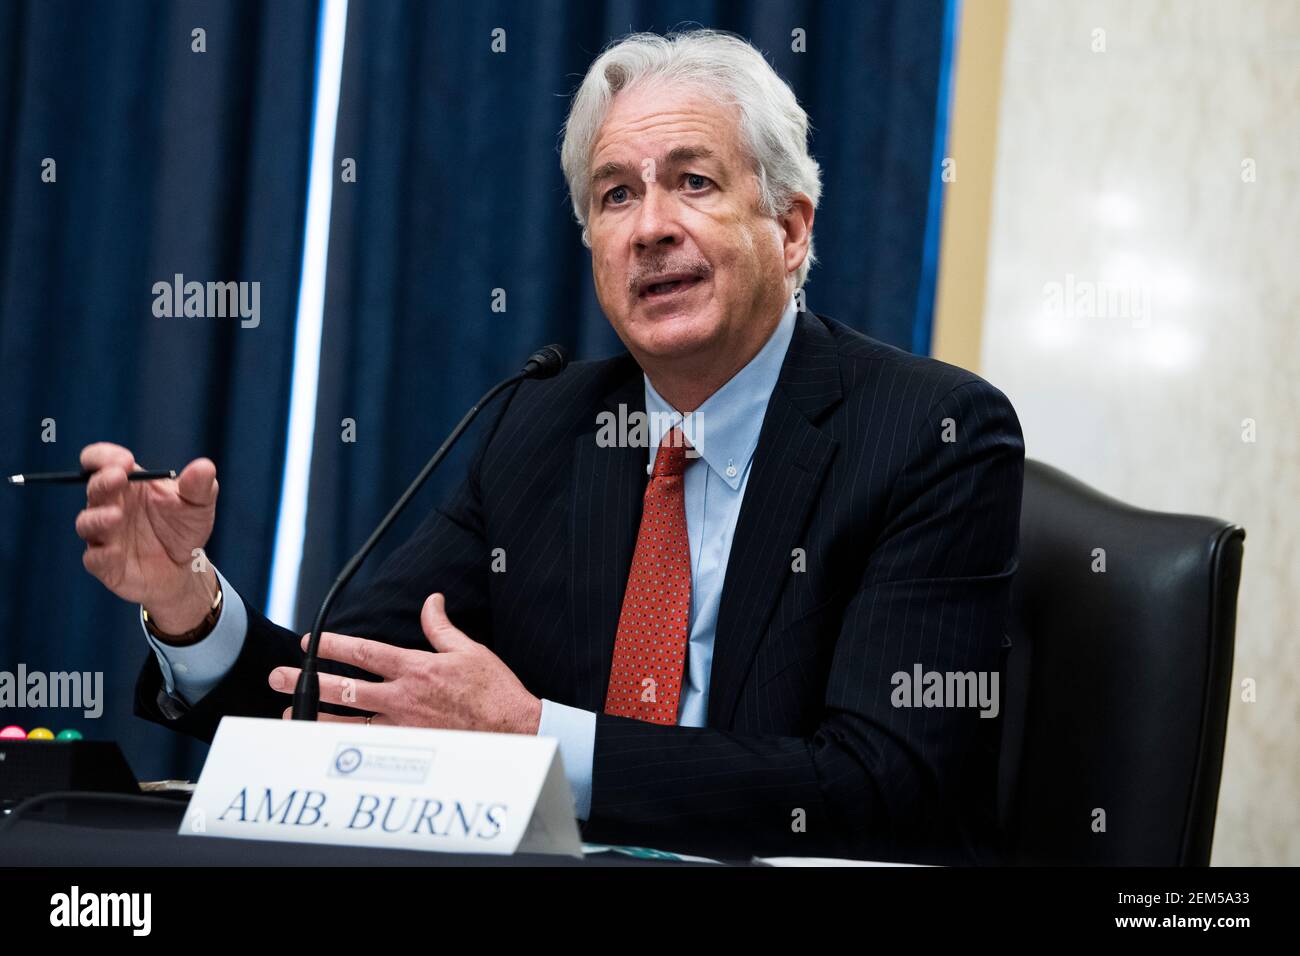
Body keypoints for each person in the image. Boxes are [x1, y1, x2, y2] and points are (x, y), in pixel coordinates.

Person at [75, 29, 1023, 863]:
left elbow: (895, 789)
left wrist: (535, 737)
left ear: (788, 227)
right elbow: (347, 697)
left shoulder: (929, 435)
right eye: (616, 196)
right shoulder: (546, 422)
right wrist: (186, 602)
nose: (651, 227)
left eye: (694, 181)